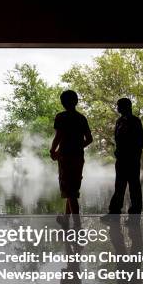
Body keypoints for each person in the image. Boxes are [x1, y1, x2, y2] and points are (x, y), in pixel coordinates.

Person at [49, 90, 92, 227]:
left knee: (70, 192)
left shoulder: (61, 117)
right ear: (76, 101)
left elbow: (58, 136)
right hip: (78, 158)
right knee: (72, 190)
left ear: (63, 102)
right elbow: (89, 139)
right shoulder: (81, 118)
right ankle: (66, 220)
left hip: (66, 158)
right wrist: (78, 147)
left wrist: (53, 150)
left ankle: (77, 225)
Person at [103, 98, 143, 219]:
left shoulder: (135, 121)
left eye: (119, 106)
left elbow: (142, 141)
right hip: (121, 159)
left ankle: (135, 213)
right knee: (119, 186)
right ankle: (114, 212)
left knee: (134, 187)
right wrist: (118, 151)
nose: (117, 108)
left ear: (126, 107)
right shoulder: (119, 121)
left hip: (132, 160)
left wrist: (133, 154)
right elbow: (118, 140)